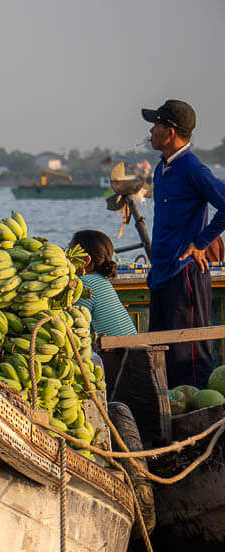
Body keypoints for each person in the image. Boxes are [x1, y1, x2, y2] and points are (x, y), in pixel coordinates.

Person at [142, 99, 225, 387]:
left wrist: (202, 241)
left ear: (171, 131)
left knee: (189, 355)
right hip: (161, 272)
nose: (151, 131)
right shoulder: (161, 168)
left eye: (156, 125)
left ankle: (200, 417)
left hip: (185, 273)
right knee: (160, 351)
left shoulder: (192, 168)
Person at [70, 230, 137, 337]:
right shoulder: (102, 280)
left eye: (70, 252)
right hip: (130, 345)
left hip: (118, 351)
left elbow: (74, 324)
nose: (66, 258)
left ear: (85, 261)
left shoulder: (85, 284)